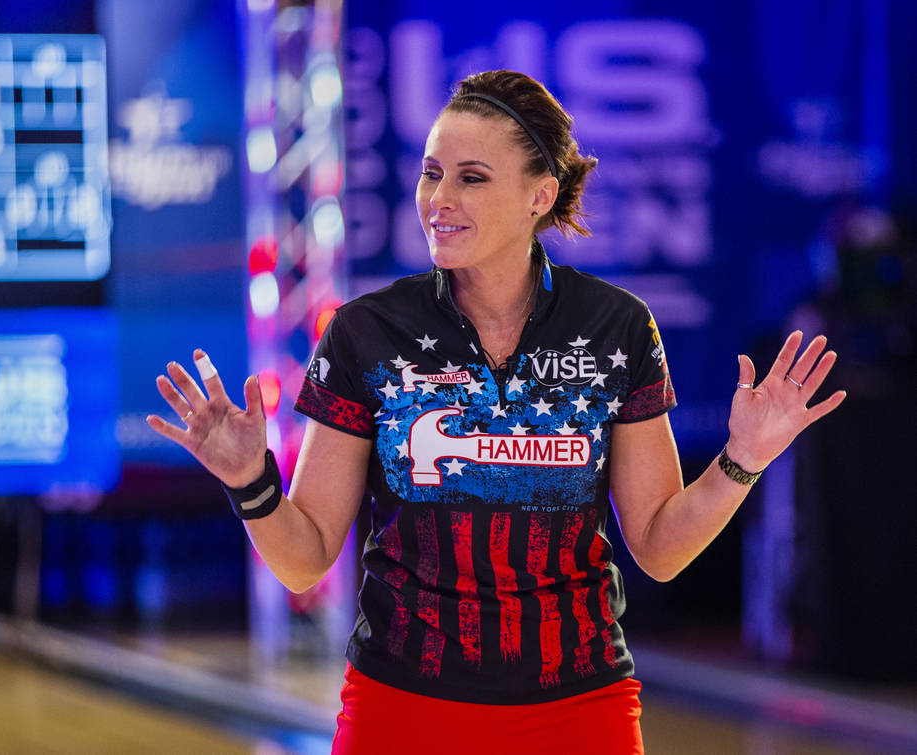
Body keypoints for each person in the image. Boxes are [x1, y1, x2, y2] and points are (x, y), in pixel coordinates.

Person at [146, 70, 846, 754]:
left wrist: (742, 458)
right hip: (402, 709)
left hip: (580, 711)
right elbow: (304, 562)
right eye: (430, 173)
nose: (438, 198)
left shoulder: (617, 328)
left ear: (540, 195)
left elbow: (660, 548)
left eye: (471, 177)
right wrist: (249, 479)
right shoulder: (365, 333)